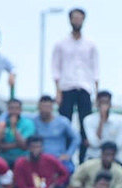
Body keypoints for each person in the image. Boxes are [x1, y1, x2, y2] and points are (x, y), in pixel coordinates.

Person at [51, 7, 98, 154]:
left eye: (80, 18)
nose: (77, 21)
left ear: (84, 20)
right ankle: (65, 154)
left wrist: (96, 92)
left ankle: (84, 156)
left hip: (85, 88)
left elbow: (95, 70)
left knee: (86, 125)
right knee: (65, 123)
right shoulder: (61, 44)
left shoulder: (91, 45)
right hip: (67, 87)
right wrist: (57, 92)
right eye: (74, 18)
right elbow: (56, 69)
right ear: (70, 20)